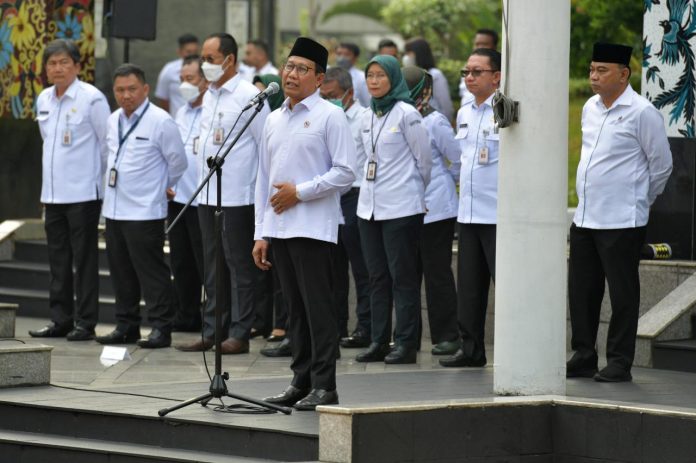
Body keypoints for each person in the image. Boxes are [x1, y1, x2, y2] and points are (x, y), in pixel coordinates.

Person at [254, 37, 356, 410]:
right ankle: (300, 381)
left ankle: (325, 385)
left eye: (302, 69)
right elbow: (263, 180)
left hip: (314, 228)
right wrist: (260, 233)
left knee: (318, 310)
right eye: (289, 66)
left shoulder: (331, 115)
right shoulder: (273, 118)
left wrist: (300, 192)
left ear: (319, 78)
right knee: (293, 311)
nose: (292, 74)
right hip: (279, 229)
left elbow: (345, 172)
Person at [567, 43, 673, 383]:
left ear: (624, 74)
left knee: (623, 294)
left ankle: (619, 361)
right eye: (592, 70)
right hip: (585, 217)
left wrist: (640, 200)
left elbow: (662, 165)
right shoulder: (590, 108)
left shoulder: (642, 112)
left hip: (622, 220)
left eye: (602, 70)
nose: (594, 76)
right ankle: (584, 355)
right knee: (582, 292)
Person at [175, 33, 270, 355]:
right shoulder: (210, 94)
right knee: (212, 266)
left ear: (229, 60)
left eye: (210, 59)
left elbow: (264, 145)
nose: (205, 65)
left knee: (239, 267)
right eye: (203, 59)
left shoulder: (249, 95)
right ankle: (213, 329)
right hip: (207, 193)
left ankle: (240, 333)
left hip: (237, 195)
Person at [96, 64, 187, 348]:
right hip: (114, 209)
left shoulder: (160, 121)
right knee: (120, 271)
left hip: (145, 211)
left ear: (145, 89)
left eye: (132, 89)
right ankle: (126, 325)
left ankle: (161, 327)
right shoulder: (113, 119)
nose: (126, 95)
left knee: (151, 272)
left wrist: (161, 187)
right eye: (120, 90)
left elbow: (178, 162)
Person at [29, 39, 110, 341]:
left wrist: (103, 189)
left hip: (84, 194)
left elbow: (106, 145)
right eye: (52, 63)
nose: (58, 68)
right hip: (53, 195)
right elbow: (48, 143)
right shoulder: (44, 99)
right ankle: (60, 319)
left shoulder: (92, 98)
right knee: (58, 260)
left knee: (84, 261)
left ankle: (85, 322)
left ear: (77, 66)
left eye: (64, 62)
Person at [355, 55, 432, 365]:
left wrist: (410, 191)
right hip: (369, 209)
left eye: (380, 75)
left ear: (394, 79)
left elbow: (424, 162)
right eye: (370, 76)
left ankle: (405, 343)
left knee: (403, 278)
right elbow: (362, 159)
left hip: (401, 207)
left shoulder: (407, 114)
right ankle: (378, 341)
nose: (374, 81)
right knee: (376, 277)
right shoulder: (366, 116)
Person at [439, 48, 502, 368]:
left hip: (498, 214)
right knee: (469, 287)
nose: (470, 77)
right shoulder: (465, 113)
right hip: (469, 213)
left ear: (497, 77)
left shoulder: (505, 111)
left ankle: (514, 349)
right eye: (467, 72)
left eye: (478, 72)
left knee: (505, 285)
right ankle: (471, 349)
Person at [402, 66, 460, 356]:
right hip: (405, 208)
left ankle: (447, 335)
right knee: (407, 276)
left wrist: (445, 186)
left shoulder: (435, 121)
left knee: (437, 274)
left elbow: (457, 159)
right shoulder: (395, 117)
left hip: (436, 210)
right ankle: (407, 339)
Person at [319, 67, 371, 348]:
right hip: (331, 197)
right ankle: (336, 327)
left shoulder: (363, 118)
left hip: (356, 196)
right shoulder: (325, 118)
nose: (329, 100)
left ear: (349, 93)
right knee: (333, 269)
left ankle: (365, 328)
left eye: (333, 95)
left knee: (361, 268)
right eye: (324, 96)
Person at [167, 55, 207, 332]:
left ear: (204, 81)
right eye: (181, 79)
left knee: (204, 261)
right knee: (181, 261)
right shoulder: (181, 112)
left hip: (201, 198)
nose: (184, 84)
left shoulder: (212, 112)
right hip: (178, 197)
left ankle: (213, 318)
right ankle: (186, 314)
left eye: (190, 79)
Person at [403, 37, 453, 121]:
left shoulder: (435, 75)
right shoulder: (408, 76)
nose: (406, 57)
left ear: (419, 54)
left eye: (409, 53)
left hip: (435, 122)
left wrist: (444, 122)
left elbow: (445, 104)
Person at [155, 34, 199, 117]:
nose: (192, 55)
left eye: (195, 51)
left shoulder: (203, 69)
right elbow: (163, 98)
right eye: (188, 52)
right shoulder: (169, 70)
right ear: (179, 52)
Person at [459, 29, 499, 105]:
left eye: (477, 71)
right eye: (477, 44)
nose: (480, 47)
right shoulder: (463, 111)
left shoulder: (502, 68)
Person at [335, 42, 370, 107]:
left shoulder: (362, 78)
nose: (341, 58)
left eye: (346, 55)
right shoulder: (328, 74)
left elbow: (368, 104)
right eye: (339, 54)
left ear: (355, 58)